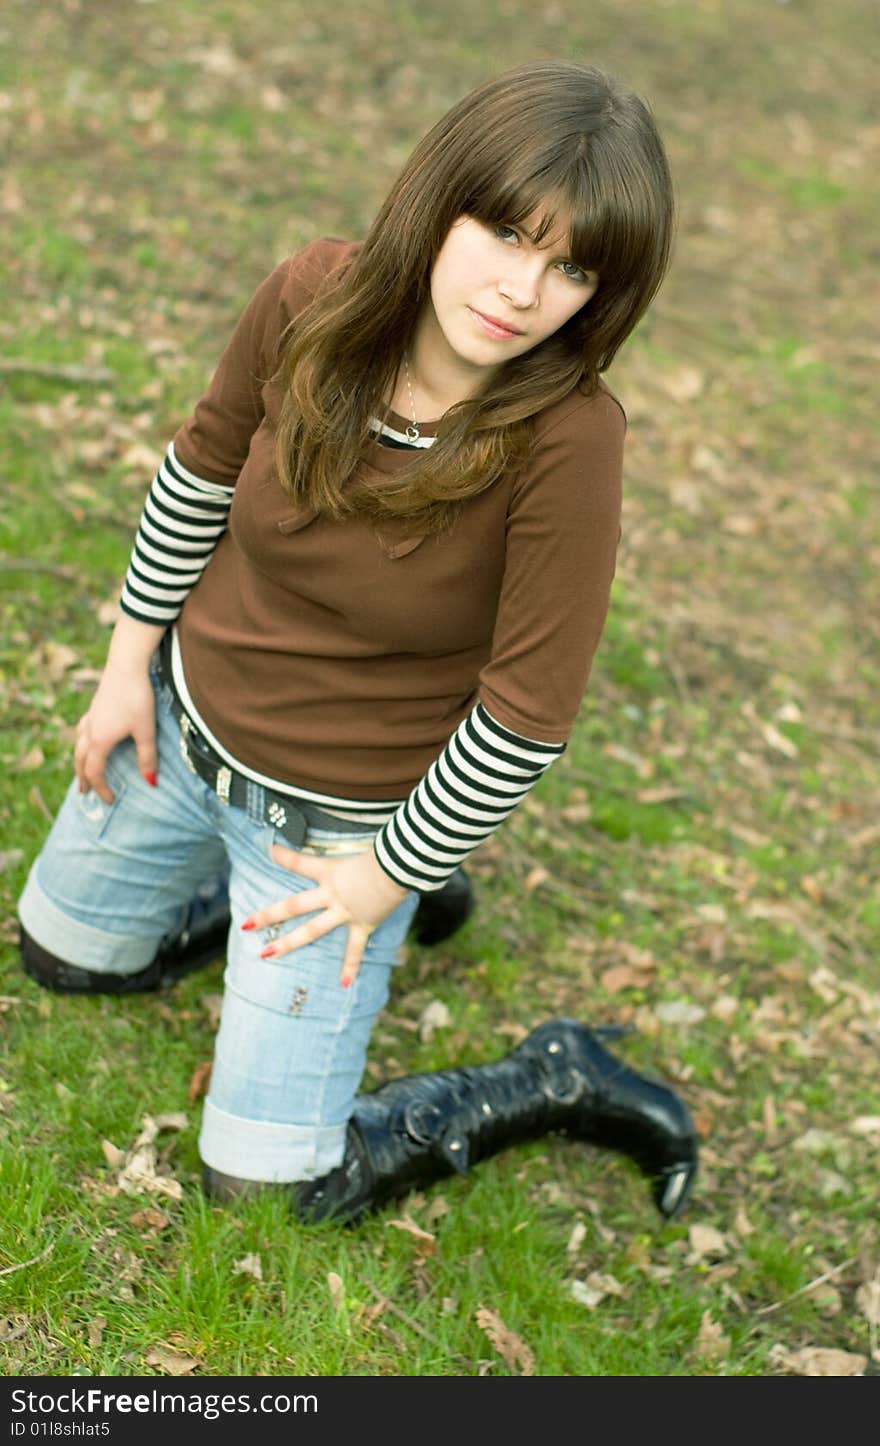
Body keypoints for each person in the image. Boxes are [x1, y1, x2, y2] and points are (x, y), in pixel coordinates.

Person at [17, 60, 698, 1223]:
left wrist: (382, 873)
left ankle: (554, 1072)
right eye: (505, 232)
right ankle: (295, 901)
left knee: (268, 1188)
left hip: (339, 828)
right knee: (67, 961)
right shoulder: (313, 297)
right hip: (179, 731)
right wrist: (126, 669)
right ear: (441, 201)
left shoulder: (568, 440)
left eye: (572, 266)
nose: (522, 288)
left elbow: (525, 715)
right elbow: (200, 468)